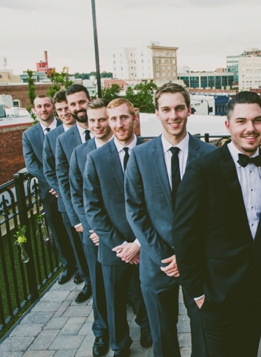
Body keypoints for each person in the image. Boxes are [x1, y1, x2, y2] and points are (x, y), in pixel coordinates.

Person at [173, 91, 261, 357]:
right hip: (215, 293)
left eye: (257, 120)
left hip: (255, 289)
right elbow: (184, 233)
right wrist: (196, 292)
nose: (250, 128)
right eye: (241, 121)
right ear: (228, 125)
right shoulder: (203, 169)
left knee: (248, 351)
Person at [125, 83, 214, 357]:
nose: (173, 115)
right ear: (157, 113)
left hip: (198, 263)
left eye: (178, 108)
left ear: (189, 110)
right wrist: (166, 255)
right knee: (162, 336)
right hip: (157, 263)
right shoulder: (139, 156)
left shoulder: (210, 155)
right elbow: (135, 211)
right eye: (166, 109)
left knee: (203, 330)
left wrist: (187, 255)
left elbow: (214, 214)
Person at [84, 98, 151, 356]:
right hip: (114, 248)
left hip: (145, 242)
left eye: (124, 117)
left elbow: (158, 203)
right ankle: (119, 345)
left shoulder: (151, 152)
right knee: (114, 300)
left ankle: (147, 327)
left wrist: (138, 242)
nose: (119, 124)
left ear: (134, 118)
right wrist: (121, 246)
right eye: (113, 119)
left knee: (146, 293)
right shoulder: (96, 158)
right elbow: (93, 208)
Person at [68, 98, 113, 357]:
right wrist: (91, 228)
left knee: (132, 284)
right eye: (93, 120)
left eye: (102, 119)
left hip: (123, 234)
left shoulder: (127, 149)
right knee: (98, 285)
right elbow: (77, 195)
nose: (97, 125)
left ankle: (142, 326)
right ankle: (101, 332)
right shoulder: (80, 152)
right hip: (93, 235)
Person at [21, 95, 71, 281]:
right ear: (35, 110)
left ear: (53, 108)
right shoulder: (29, 135)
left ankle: (84, 268)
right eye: (39, 106)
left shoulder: (65, 126)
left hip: (67, 186)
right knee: (57, 230)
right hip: (48, 192)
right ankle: (68, 265)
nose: (44, 109)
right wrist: (52, 184)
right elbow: (32, 165)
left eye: (47, 106)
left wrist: (60, 184)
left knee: (74, 228)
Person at [54, 84, 93, 303]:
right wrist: (74, 217)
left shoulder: (105, 129)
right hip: (81, 211)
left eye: (81, 102)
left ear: (89, 100)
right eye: (73, 104)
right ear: (67, 107)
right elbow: (63, 181)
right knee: (84, 253)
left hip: (109, 210)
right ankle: (90, 284)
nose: (78, 107)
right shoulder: (63, 140)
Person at [42, 90, 82, 287]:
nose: (65, 112)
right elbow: (50, 169)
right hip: (66, 200)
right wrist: (60, 190)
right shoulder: (54, 137)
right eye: (60, 110)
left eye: (67, 107)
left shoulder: (87, 128)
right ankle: (85, 277)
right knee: (75, 243)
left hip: (89, 197)